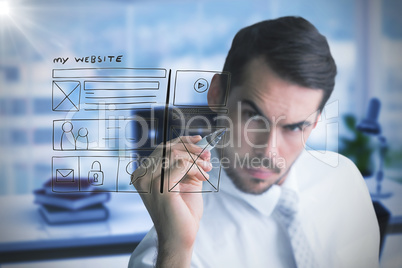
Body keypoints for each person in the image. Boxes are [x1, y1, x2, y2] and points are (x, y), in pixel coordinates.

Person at [129, 16, 380, 267]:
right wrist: (175, 250)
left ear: (315, 122)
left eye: (294, 127)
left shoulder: (343, 178)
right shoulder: (167, 253)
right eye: (253, 116)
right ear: (217, 93)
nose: (269, 152)